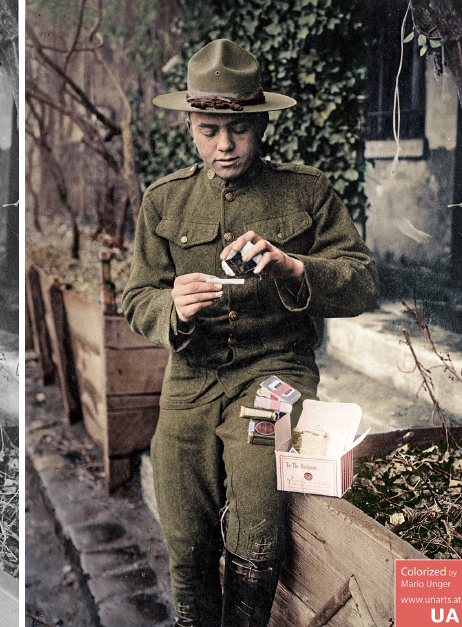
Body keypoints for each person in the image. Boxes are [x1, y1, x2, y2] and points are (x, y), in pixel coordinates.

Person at [122, 39, 379, 626]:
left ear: (260, 123)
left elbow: (363, 283)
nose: (224, 145)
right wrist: (172, 307)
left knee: (259, 502)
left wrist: (294, 267)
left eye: (237, 129)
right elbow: (136, 297)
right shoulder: (165, 200)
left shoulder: (306, 191)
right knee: (182, 516)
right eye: (208, 130)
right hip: (191, 376)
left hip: (275, 371)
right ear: (190, 125)